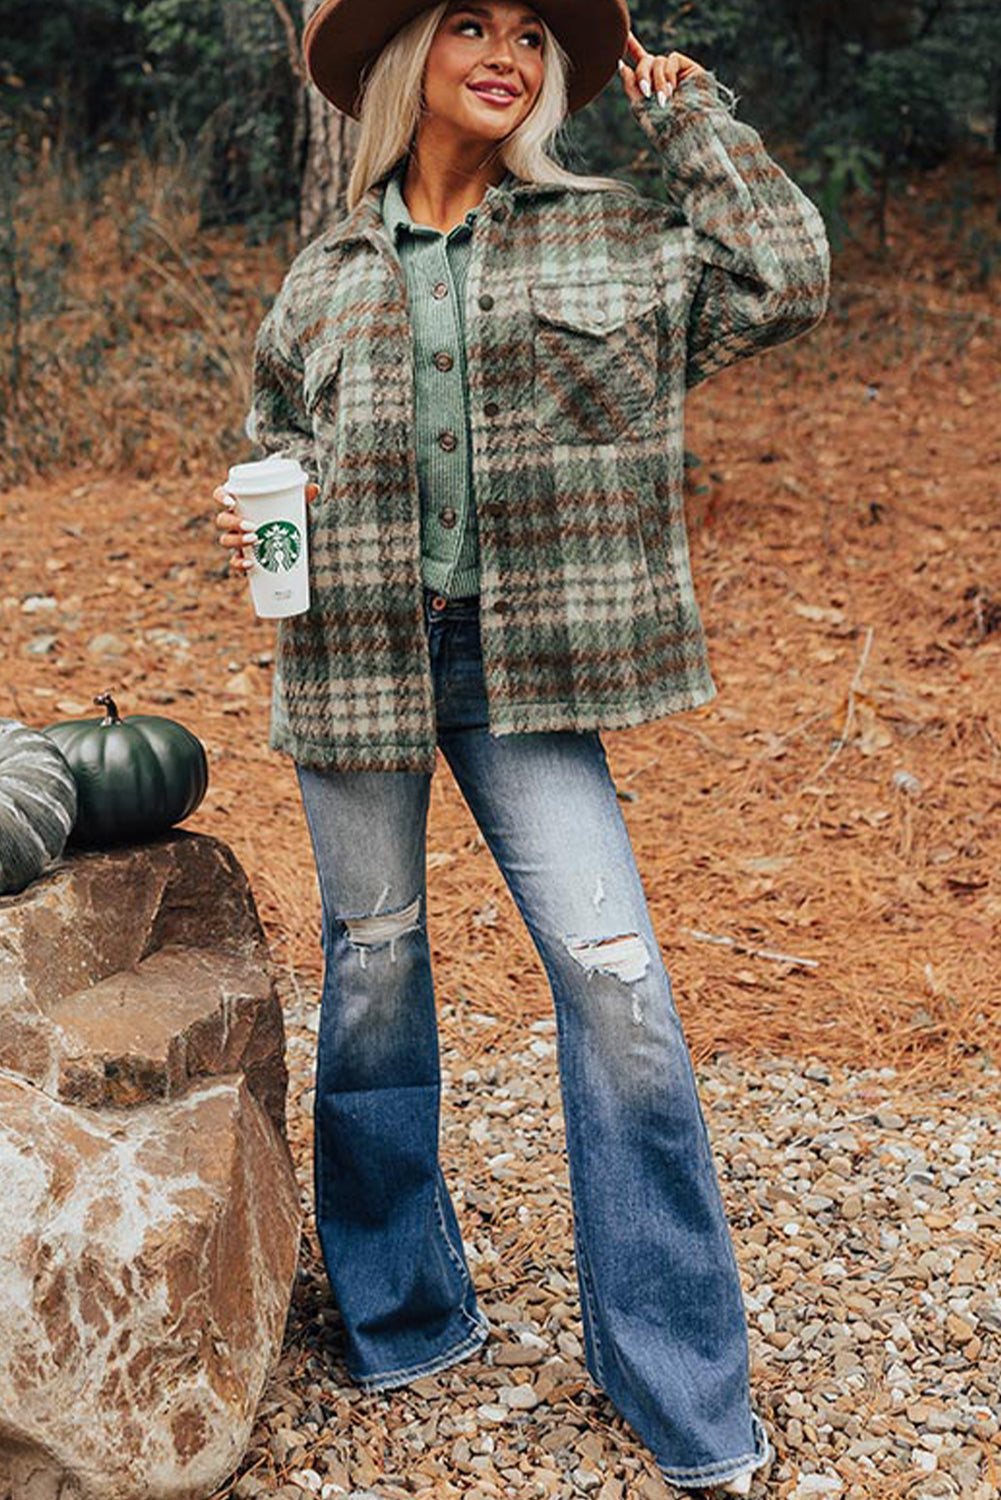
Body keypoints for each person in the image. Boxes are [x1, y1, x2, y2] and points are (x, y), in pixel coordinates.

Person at [213, 0, 830, 1490]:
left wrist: (689, 112)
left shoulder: (610, 232)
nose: (506, 51)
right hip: (353, 656)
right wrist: (264, 503)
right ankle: (399, 1314)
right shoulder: (326, 270)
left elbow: (785, 276)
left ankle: (679, 1385)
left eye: (529, 36)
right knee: (372, 971)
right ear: (406, 55)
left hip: (530, 669)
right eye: (468, 22)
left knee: (616, 984)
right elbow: (270, 425)